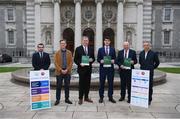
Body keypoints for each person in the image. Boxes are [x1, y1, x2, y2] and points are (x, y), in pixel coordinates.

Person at [74, 34, 95, 105]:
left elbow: (93, 58)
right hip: (81, 69)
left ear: (88, 41)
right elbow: (75, 59)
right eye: (84, 40)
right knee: (81, 84)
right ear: (82, 41)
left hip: (88, 69)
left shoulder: (91, 49)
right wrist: (80, 63)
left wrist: (91, 60)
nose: (86, 42)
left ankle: (86, 97)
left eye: (87, 40)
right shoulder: (78, 49)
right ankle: (80, 98)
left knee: (87, 84)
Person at [139, 41, 160, 105]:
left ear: (149, 46)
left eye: (147, 45)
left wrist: (152, 68)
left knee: (149, 87)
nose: (146, 46)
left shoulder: (153, 53)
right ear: (143, 46)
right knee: (143, 86)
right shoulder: (141, 53)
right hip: (143, 72)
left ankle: (149, 99)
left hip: (150, 72)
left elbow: (157, 62)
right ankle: (143, 98)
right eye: (144, 45)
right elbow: (140, 62)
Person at [97, 36, 116, 103]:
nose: (107, 42)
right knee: (101, 83)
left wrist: (114, 61)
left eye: (108, 40)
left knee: (110, 83)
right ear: (104, 42)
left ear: (110, 42)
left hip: (110, 69)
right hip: (103, 69)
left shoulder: (113, 49)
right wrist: (100, 61)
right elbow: (98, 59)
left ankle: (110, 97)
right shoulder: (100, 49)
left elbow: (115, 58)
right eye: (105, 40)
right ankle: (101, 97)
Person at [54, 39, 73, 105]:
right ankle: (57, 99)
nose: (63, 44)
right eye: (61, 43)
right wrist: (60, 70)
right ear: (60, 44)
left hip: (67, 72)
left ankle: (67, 99)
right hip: (59, 72)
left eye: (64, 43)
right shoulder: (57, 53)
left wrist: (67, 69)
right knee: (58, 86)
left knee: (67, 86)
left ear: (66, 44)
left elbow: (71, 62)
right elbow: (55, 62)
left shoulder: (69, 52)